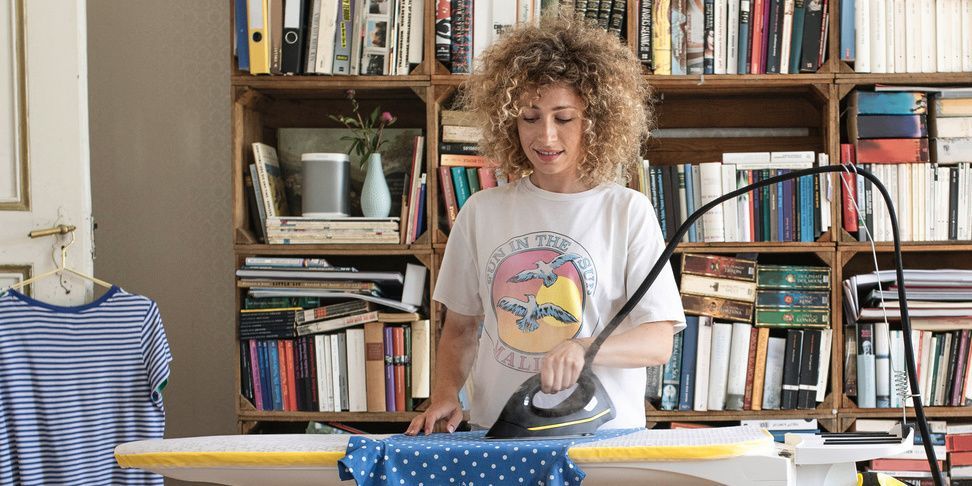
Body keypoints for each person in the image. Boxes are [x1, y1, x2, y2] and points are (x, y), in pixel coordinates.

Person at [405, 10, 686, 436]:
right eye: (530, 118)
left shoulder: (627, 211)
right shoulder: (481, 211)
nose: (546, 137)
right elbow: (459, 329)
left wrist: (583, 347)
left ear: (595, 120)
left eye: (564, 117)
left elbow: (657, 341)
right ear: (508, 121)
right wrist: (445, 394)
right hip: (500, 431)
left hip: (603, 436)